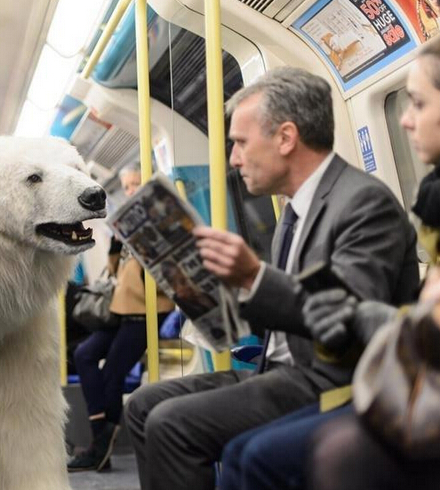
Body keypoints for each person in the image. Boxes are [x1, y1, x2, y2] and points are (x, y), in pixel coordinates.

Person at [123, 66, 420, 490]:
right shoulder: (293, 211)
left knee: (172, 423)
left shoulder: (363, 204)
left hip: (329, 378)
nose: (233, 159)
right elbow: (285, 311)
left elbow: (347, 323)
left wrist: (254, 276)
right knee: (142, 404)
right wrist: (209, 294)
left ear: (285, 138)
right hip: (276, 368)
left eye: (241, 143)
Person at [218, 36, 440, 490]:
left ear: (286, 138)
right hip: (400, 366)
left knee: (260, 454)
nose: (405, 119)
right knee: (208, 436)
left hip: (353, 375)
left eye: (418, 103)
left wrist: (372, 318)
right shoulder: (432, 204)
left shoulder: (362, 202)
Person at [67, 165, 175, 472]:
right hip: (122, 309)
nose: (130, 191)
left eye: (135, 184)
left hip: (147, 311)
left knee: (112, 376)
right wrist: (117, 240)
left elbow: (164, 272)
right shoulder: (128, 225)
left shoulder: (159, 221)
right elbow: (116, 270)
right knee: (84, 354)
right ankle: (100, 433)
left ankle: (100, 448)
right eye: (126, 186)